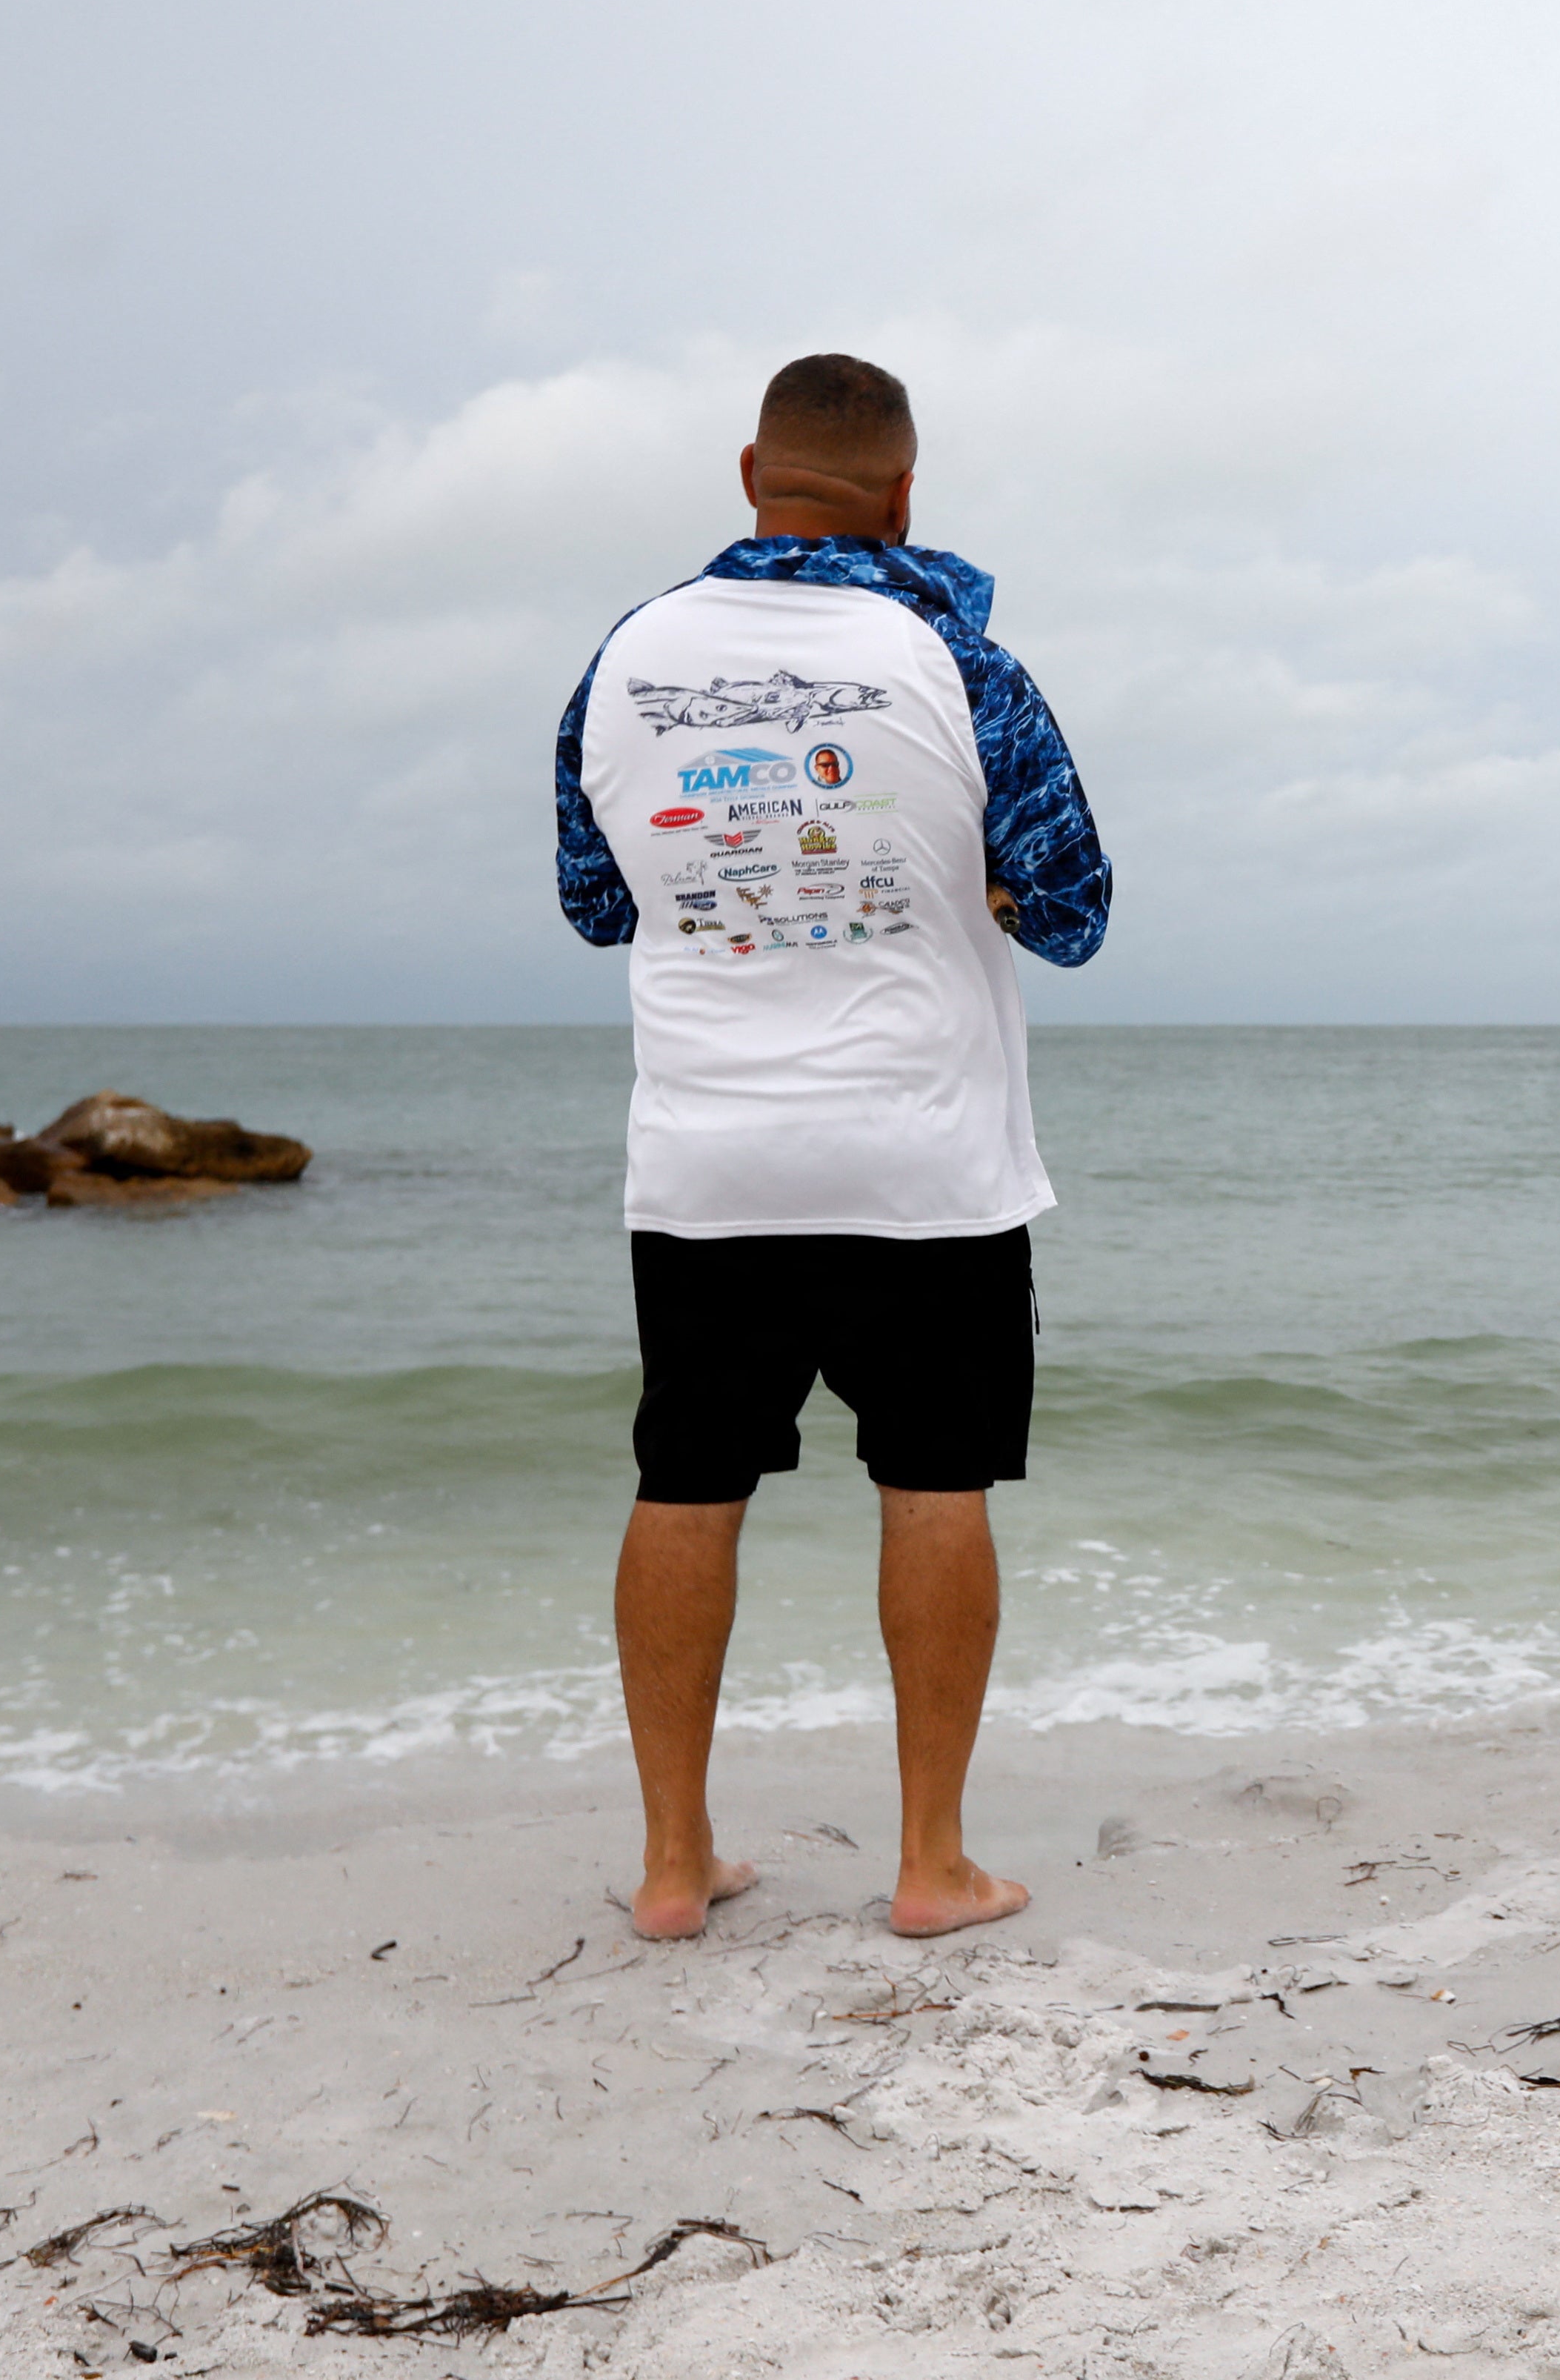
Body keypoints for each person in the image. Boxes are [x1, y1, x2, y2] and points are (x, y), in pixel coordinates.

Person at [553, 351, 1112, 1941]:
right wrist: (975, 886)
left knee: (687, 1482)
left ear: (750, 475)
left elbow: (597, 903)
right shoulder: (960, 661)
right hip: (921, 1158)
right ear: (904, 493)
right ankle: (930, 1866)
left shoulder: (626, 656)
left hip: (710, 1157)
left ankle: (674, 1867)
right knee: (933, 1481)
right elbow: (1072, 911)